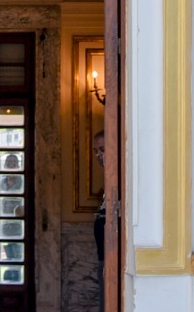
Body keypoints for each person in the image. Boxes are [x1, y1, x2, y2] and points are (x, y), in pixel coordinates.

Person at [92, 131, 106, 310]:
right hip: (104, 257)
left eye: (102, 149)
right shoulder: (108, 179)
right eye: (96, 151)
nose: (98, 155)